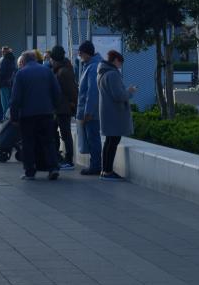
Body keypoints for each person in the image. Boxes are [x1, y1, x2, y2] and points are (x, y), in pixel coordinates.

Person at [9, 50, 61, 180]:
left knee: (28, 143)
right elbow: (57, 92)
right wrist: (54, 108)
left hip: (27, 115)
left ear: (24, 61)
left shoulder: (21, 74)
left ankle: (30, 171)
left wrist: (14, 117)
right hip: (46, 113)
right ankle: (53, 168)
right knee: (49, 142)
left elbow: (15, 99)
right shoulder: (47, 71)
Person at [97, 50, 137, 181]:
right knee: (113, 142)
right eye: (120, 62)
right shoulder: (113, 74)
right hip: (115, 114)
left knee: (109, 142)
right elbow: (118, 95)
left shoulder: (102, 73)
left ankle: (104, 170)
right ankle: (108, 171)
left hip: (107, 112)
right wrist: (130, 92)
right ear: (115, 60)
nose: (121, 65)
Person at [75, 41, 104, 175]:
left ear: (86, 53)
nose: (79, 55)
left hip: (90, 112)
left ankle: (96, 166)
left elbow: (92, 92)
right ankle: (95, 164)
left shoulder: (92, 68)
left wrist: (88, 112)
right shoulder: (89, 65)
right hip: (89, 111)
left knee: (93, 138)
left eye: (80, 53)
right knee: (92, 138)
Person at [49, 45, 77, 170]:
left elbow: (71, 91)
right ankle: (58, 156)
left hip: (63, 108)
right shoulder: (61, 69)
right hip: (59, 108)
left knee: (65, 134)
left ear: (54, 58)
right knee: (55, 132)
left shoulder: (63, 72)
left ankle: (69, 160)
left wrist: (72, 104)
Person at [0, 46, 17, 120]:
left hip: (3, 84)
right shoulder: (12, 60)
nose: (2, 53)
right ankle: (9, 117)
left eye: (3, 51)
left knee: (4, 103)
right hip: (10, 84)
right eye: (2, 51)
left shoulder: (4, 60)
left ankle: (6, 119)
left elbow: (1, 73)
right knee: (8, 101)